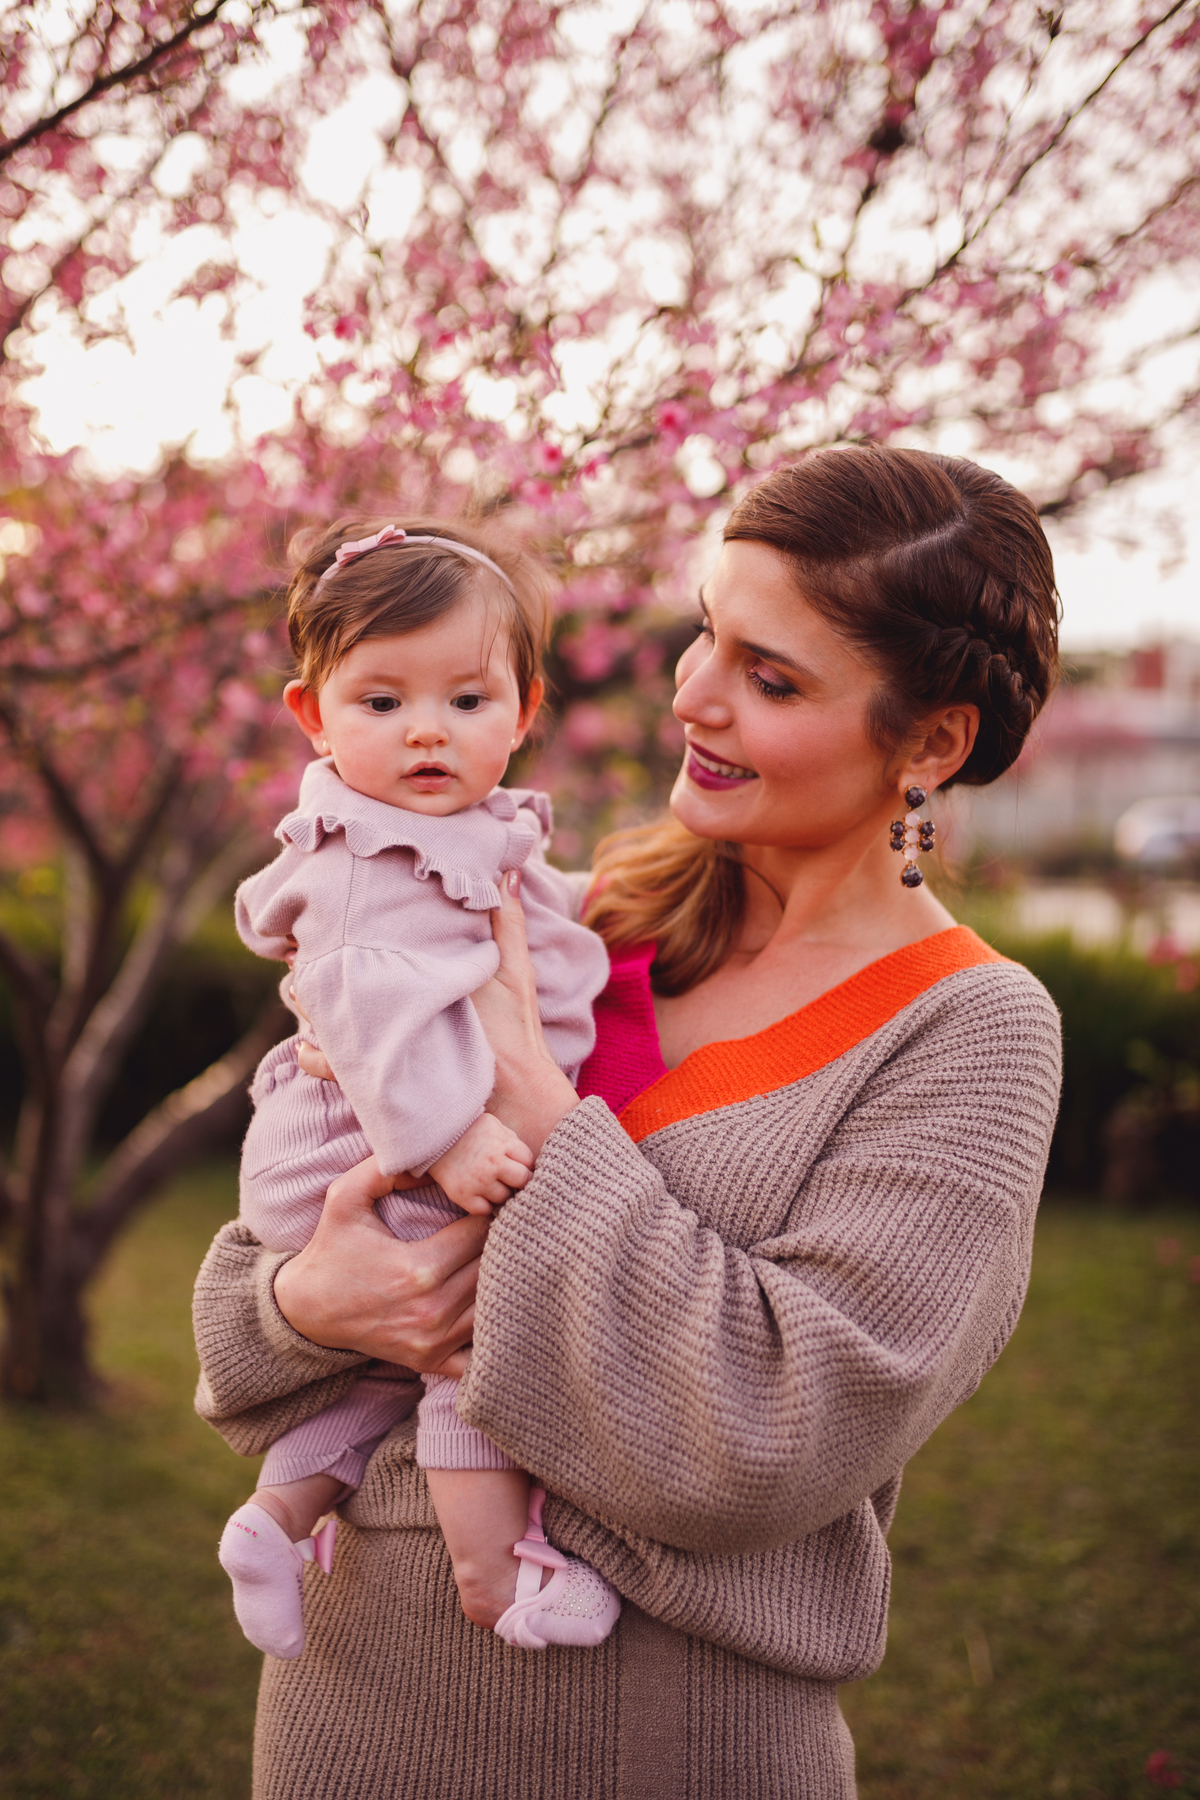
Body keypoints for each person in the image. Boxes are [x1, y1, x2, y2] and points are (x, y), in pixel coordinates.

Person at [193, 447, 1064, 1800]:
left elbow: (766, 1441)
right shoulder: (566, 920)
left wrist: (547, 1129)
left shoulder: (968, 1032)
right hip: (346, 1726)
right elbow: (257, 1297)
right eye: (707, 631)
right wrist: (312, 1307)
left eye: (771, 680)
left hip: (658, 1745)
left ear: (932, 744)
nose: (694, 697)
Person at [215, 517, 616, 1662]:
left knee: (382, 1371)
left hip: (379, 1143)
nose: (425, 732)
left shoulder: (457, 829)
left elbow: (527, 924)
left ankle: (277, 1516)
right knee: (469, 1343)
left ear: (525, 711)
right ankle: (497, 1578)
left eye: (466, 702)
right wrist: (448, 1140)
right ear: (314, 715)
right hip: (373, 1140)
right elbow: (369, 1009)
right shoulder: (357, 858)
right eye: (381, 703)